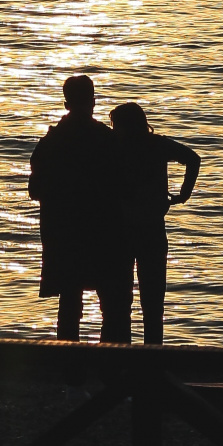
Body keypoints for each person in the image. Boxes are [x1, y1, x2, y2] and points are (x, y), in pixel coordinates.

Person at [29, 75, 132, 343]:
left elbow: (35, 190)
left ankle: (68, 362)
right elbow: (124, 185)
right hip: (103, 230)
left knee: (69, 302)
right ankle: (112, 361)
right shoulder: (107, 139)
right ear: (93, 101)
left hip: (64, 232)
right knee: (112, 305)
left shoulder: (50, 142)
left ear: (66, 104)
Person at [109, 103, 200, 345]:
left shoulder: (115, 147)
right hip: (151, 229)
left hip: (122, 231)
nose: (114, 129)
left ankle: (122, 355)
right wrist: (183, 194)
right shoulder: (157, 145)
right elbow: (193, 159)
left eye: (116, 125)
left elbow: (194, 159)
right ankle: (153, 356)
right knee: (153, 305)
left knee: (121, 304)